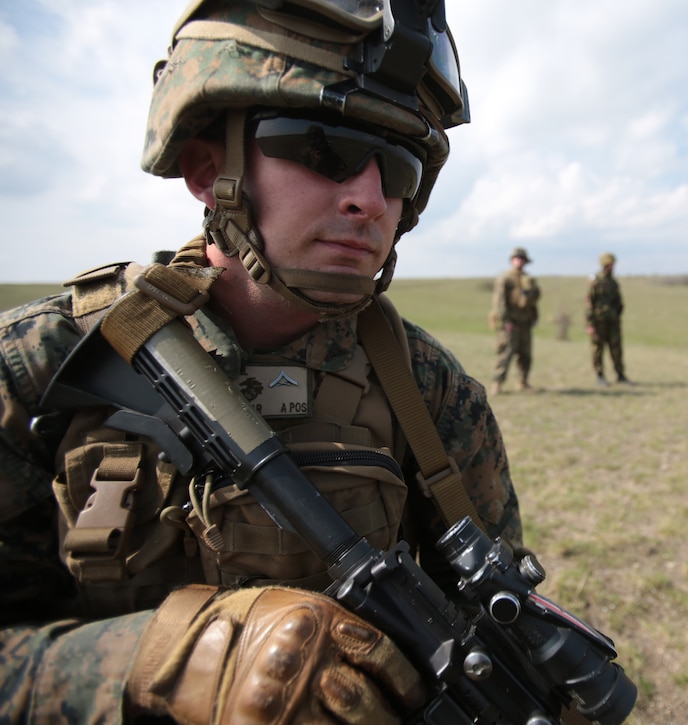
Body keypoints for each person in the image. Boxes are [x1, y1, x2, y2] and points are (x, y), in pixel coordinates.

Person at [0, 2, 525, 721]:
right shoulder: (39, 368)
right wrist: (161, 661)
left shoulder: (432, 394)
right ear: (207, 166)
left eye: (398, 167)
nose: (369, 200)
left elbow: (489, 648)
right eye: (324, 148)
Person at [488, 247, 541, 394]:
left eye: (522, 258)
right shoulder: (505, 278)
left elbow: (533, 301)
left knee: (526, 356)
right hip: (510, 324)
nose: (519, 261)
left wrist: (534, 317)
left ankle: (523, 382)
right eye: (517, 258)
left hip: (525, 323)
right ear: (512, 260)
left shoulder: (528, 279)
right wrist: (505, 320)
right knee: (505, 354)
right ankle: (497, 383)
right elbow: (500, 301)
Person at [585, 252, 628, 386]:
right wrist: (590, 324)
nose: (612, 266)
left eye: (613, 264)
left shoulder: (613, 282)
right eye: (610, 264)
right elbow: (589, 303)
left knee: (616, 349)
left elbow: (619, 302)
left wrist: (617, 315)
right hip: (599, 322)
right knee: (598, 350)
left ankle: (620, 375)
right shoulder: (596, 282)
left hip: (613, 322)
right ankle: (600, 376)